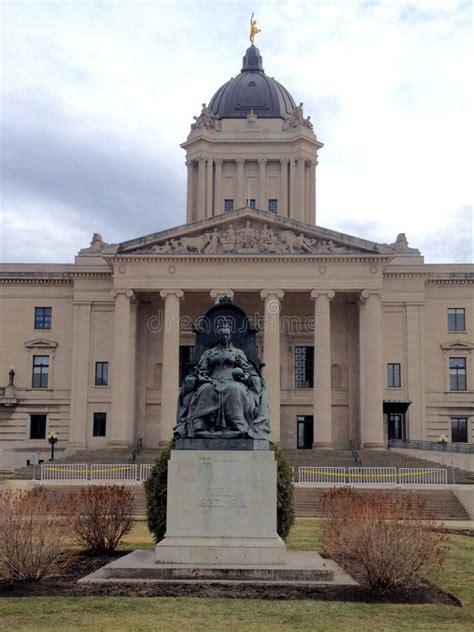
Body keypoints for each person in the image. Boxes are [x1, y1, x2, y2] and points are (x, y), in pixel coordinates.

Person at [174, 322, 270, 439]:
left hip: (233, 381)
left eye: (227, 335)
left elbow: (247, 370)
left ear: (230, 337)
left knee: (234, 390)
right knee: (206, 390)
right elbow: (201, 370)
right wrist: (205, 379)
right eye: (223, 335)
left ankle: (238, 424)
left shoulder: (237, 353)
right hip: (211, 380)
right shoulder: (209, 353)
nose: (225, 337)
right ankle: (199, 424)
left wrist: (243, 377)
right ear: (218, 336)